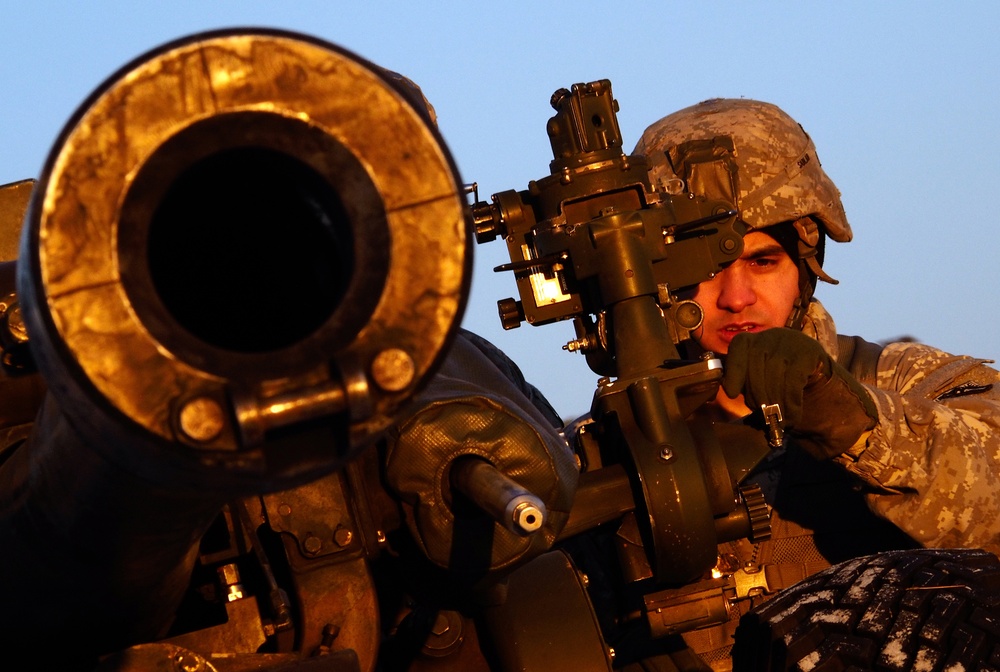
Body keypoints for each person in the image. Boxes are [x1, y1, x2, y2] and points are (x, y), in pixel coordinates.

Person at [630, 98, 1000, 668]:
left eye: (763, 262)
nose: (735, 298)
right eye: (703, 270)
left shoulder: (906, 383)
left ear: (806, 262)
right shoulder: (607, 453)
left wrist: (852, 423)